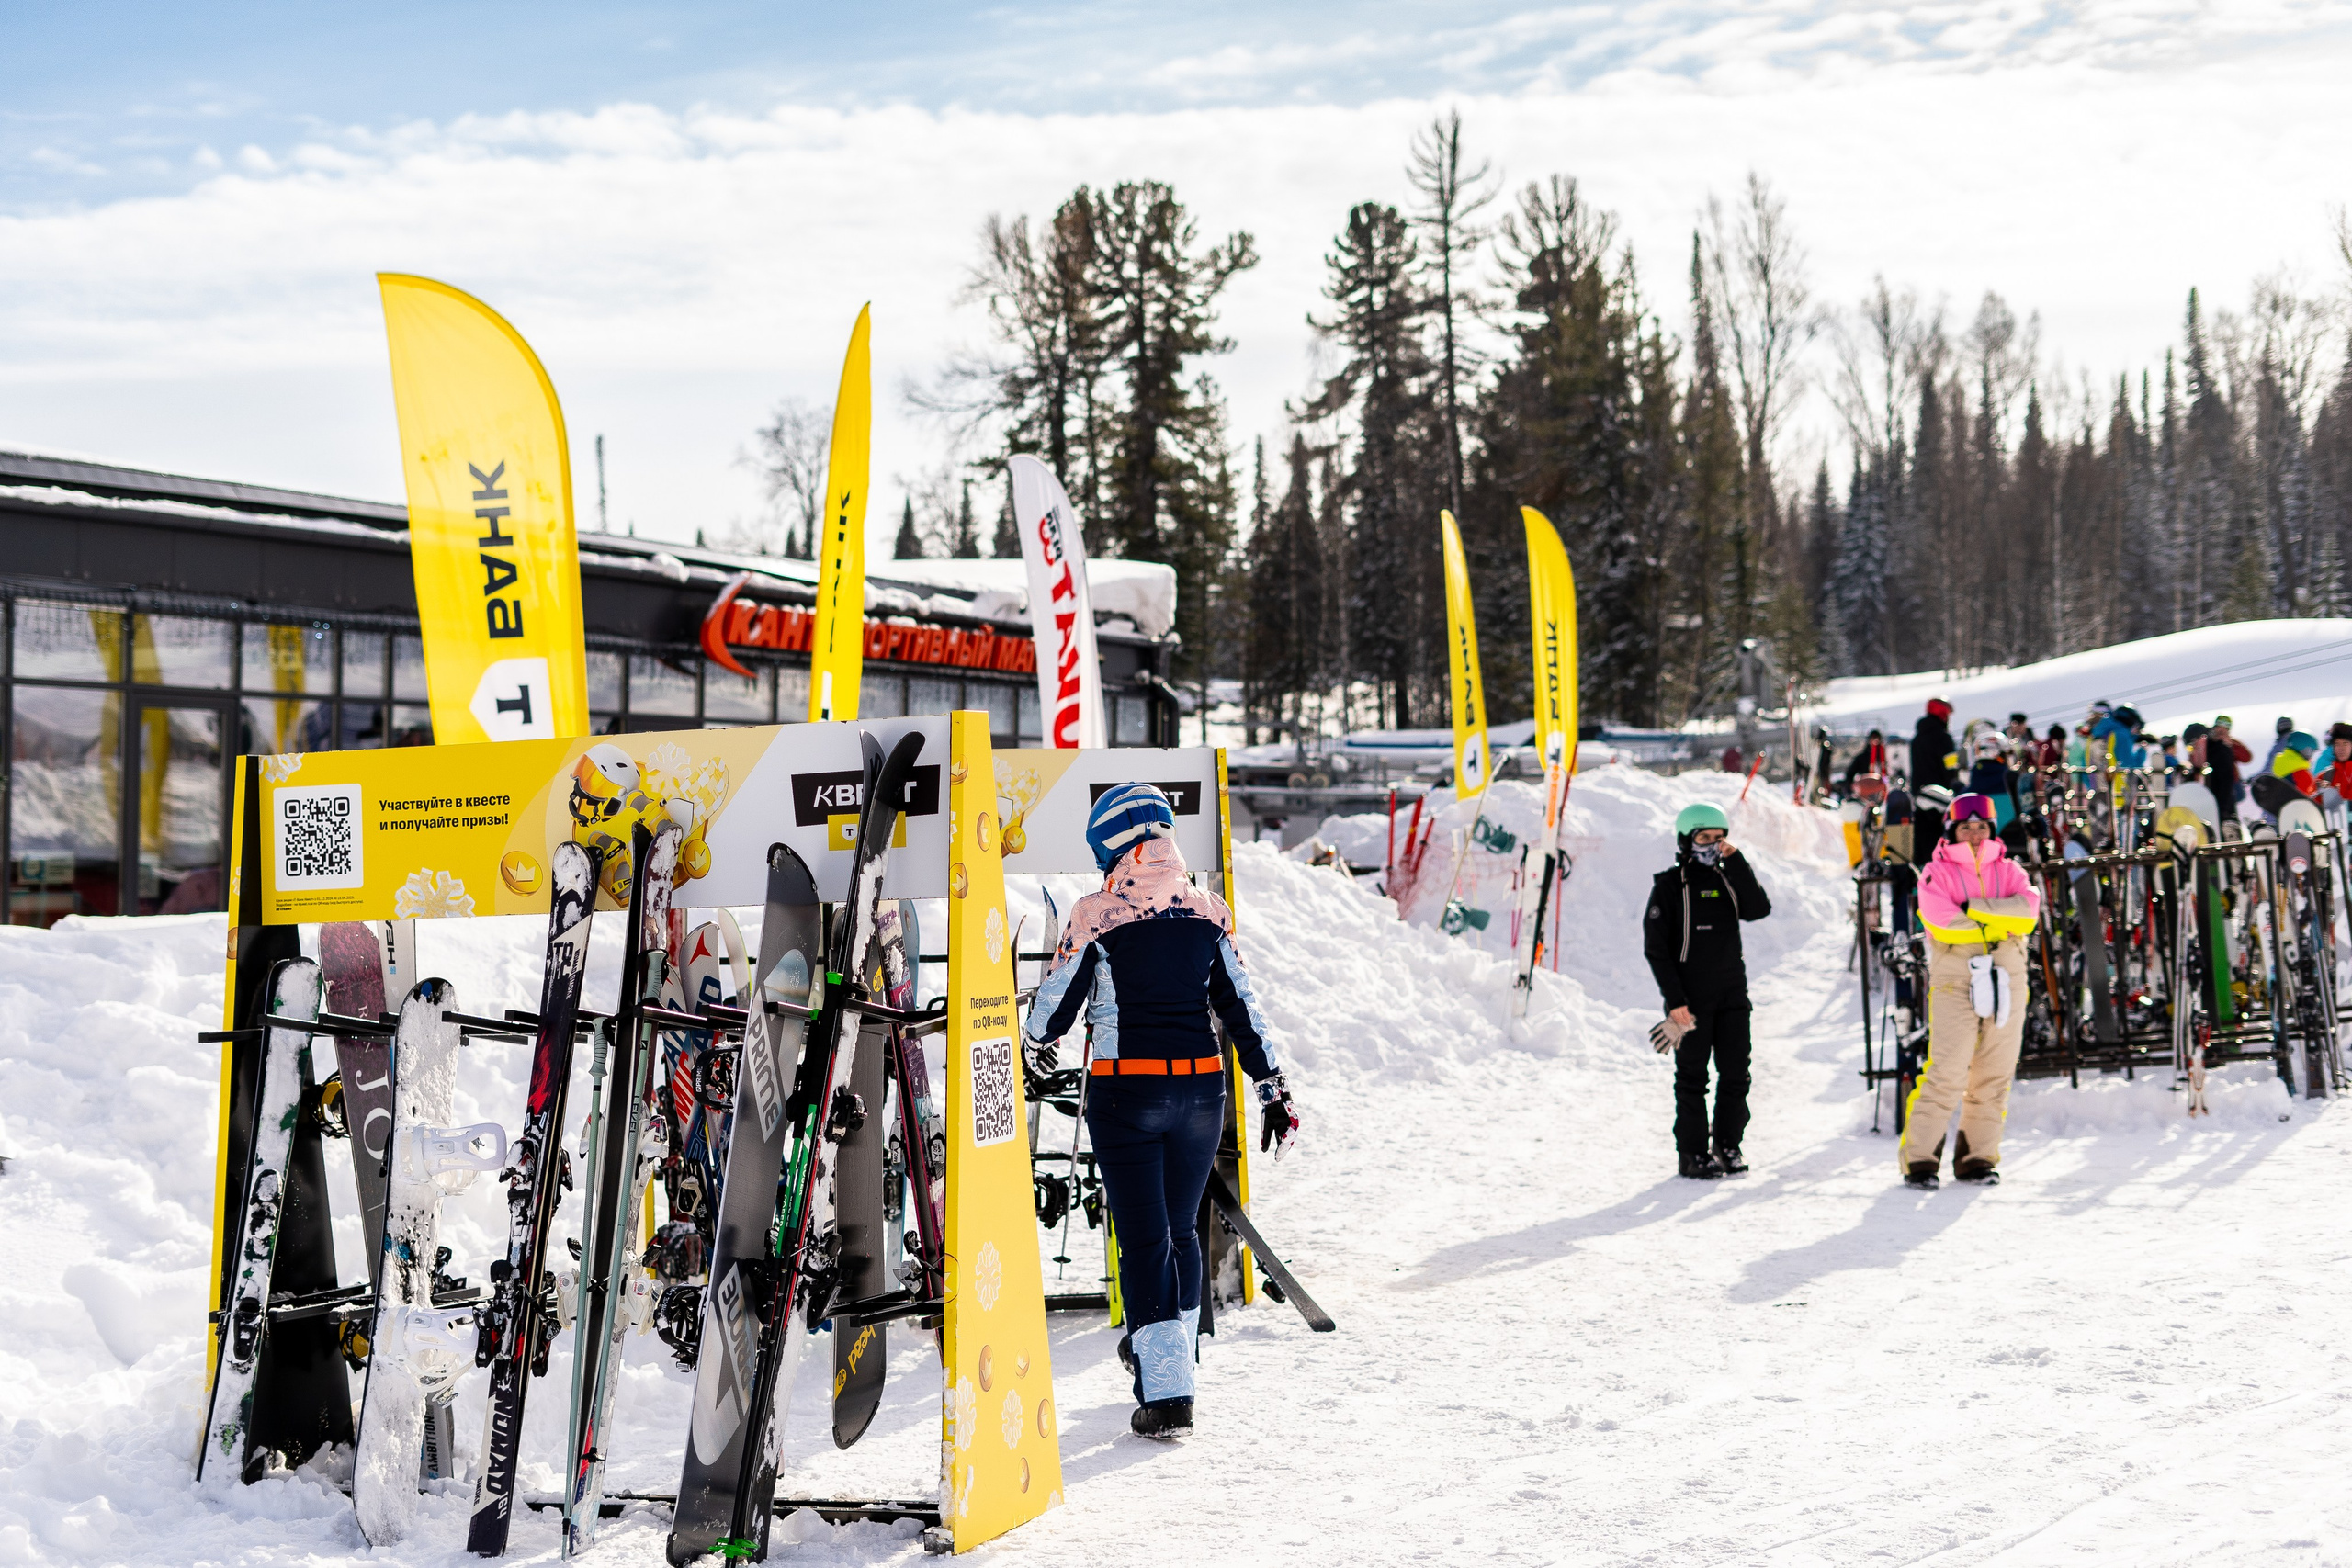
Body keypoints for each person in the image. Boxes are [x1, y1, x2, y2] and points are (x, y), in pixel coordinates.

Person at [1022, 784, 1298, 1438]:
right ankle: (1173, 1356)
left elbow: (1056, 1007)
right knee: (1181, 1230)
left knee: (1145, 1239)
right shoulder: (1209, 910)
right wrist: (1273, 1088)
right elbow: (1242, 1006)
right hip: (1202, 1093)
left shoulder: (1098, 912)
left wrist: (1032, 1045)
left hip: (1127, 1091)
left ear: (1113, 848)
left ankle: (1168, 1389)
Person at [1901, 793, 2041, 1188]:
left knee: (1994, 1072)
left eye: (1982, 827)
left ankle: (1977, 1158)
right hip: (1956, 978)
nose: (1975, 834)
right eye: (1966, 827)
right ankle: (1921, 1160)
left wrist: (1973, 909)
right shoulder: (1936, 872)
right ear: (1953, 830)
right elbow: (1942, 921)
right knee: (1948, 1069)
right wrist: (2000, 916)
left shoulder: (2011, 870)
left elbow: (2028, 913)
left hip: (2007, 976)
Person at [1643, 803, 1772, 1180]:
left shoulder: (1728, 878)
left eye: (1720, 838)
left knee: (1736, 1074)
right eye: (1704, 838)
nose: (1713, 845)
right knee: (1693, 1078)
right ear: (1686, 840)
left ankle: (1727, 1145)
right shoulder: (1669, 886)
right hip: (1692, 1002)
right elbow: (1657, 949)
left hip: (1733, 994)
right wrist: (1675, 1003)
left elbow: (1759, 909)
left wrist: (1737, 861)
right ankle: (1693, 1153)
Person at [2251, 732, 2321, 822]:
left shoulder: (2276, 765)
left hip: (2271, 818)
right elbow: (2306, 803)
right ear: (2305, 750)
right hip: (2293, 822)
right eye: (2311, 752)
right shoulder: (2301, 773)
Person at [2205, 716, 2253, 813]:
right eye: (2219, 727)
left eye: (2225, 728)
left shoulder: (2232, 743)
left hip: (2230, 781)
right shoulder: (2207, 742)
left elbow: (2247, 758)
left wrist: (2230, 746)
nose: (2222, 731)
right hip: (2211, 780)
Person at [1911, 698, 1959, 792]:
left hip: (1920, 793)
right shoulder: (1944, 738)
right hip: (1941, 793)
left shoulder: (1917, 738)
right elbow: (1951, 767)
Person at [2319, 723, 2352, 808]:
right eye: (2337, 744)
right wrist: (2320, 795)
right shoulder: (2326, 777)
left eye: (2345, 743)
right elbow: (2312, 809)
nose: (2341, 748)